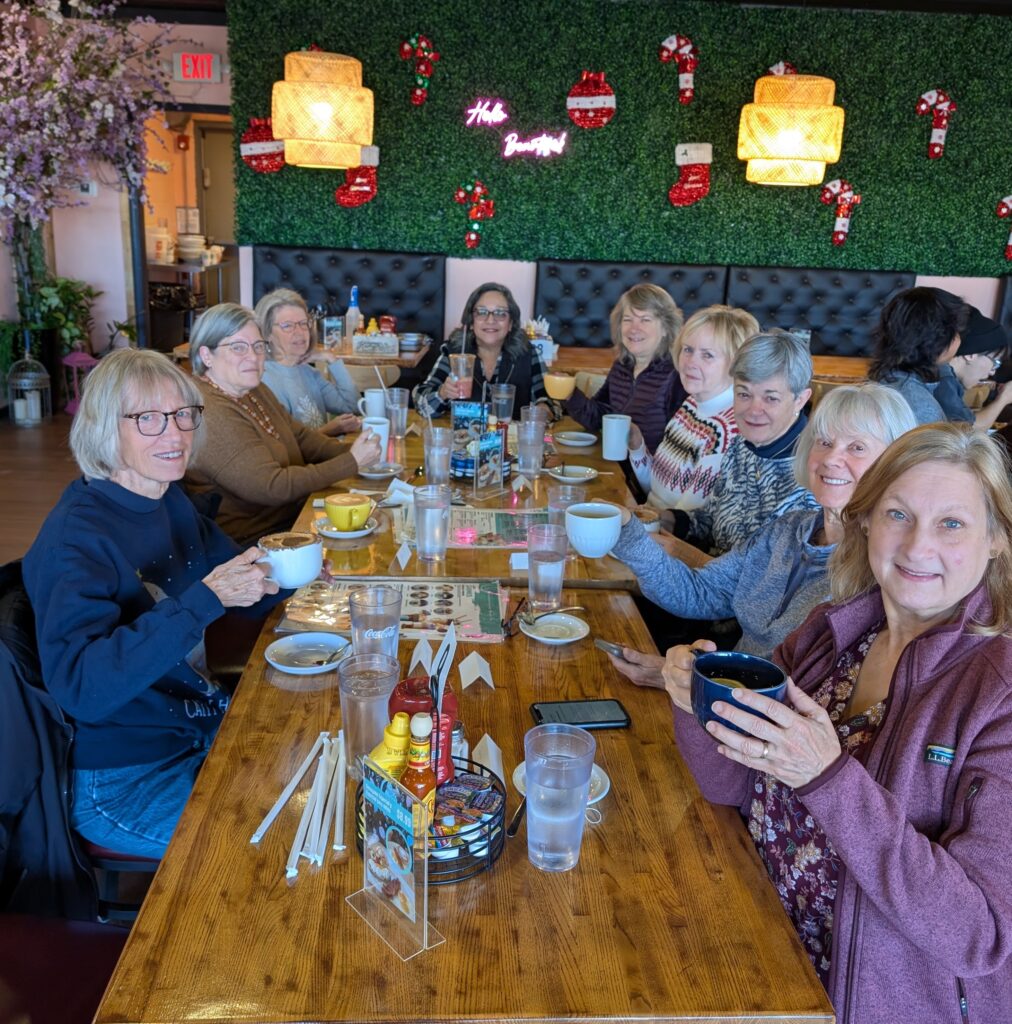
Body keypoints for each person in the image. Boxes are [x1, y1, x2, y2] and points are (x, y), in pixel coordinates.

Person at [662, 423, 1012, 1019]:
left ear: (997, 540)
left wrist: (828, 776)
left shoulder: (996, 692)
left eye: (951, 523)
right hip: (752, 955)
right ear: (867, 521)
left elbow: (980, 935)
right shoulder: (835, 629)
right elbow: (733, 786)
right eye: (898, 515)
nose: (917, 546)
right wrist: (694, 699)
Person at [23, 349, 283, 858]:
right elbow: (82, 687)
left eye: (184, 414)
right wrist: (205, 600)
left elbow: (241, 588)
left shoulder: (167, 497)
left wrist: (297, 576)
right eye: (148, 418)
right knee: (282, 845)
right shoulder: (76, 539)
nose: (175, 434)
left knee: (330, 782)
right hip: (122, 780)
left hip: (193, 725)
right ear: (104, 427)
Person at [608, 384, 915, 686]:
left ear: (893, 463)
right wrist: (627, 532)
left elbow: (806, 691)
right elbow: (701, 592)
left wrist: (690, 682)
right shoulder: (787, 529)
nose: (831, 458)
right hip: (722, 696)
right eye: (823, 441)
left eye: (857, 447)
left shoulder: (881, 569)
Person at [185, 303, 381, 547]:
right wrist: (351, 462)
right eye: (238, 347)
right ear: (206, 355)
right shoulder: (210, 411)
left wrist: (358, 454)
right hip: (255, 545)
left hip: (295, 518)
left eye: (258, 346)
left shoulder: (253, 389)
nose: (254, 357)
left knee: (382, 525)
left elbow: (300, 436)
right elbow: (272, 486)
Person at [672, 329, 818, 556]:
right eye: (743, 394)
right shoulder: (741, 445)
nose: (753, 410)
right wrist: (669, 520)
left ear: (800, 399)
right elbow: (712, 521)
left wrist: (687, 557)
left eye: (771, 398)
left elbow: (769, 584)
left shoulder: (811, 477)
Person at [627, 305, 759, 521]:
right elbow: (657, 491)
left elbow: (683, 521)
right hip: (649, 522)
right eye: (688, 350)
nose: (690, 362)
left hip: (668, 542)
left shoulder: (728, 429)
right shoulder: (692, 404)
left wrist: (628, 520)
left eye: (707, 355)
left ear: (737, 364)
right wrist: (637, 446)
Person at [562, 283, 686, 454]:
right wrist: (569, 394)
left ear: (666, 328)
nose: (634, 329)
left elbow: (680, 447)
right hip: (617, 469)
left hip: (651, 476)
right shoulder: (622, 366)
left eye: (645, 320)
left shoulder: (676, 375)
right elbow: (598, 418)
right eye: (627, 320)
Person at [412, 282, 553, 418]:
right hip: (463, 439)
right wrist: (442, 393)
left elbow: (550, 401)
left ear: (510, 324)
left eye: (500, 313)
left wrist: (543, 409)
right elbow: (421, 403)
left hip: (511, 440)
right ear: (471, 322)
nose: (490, 320)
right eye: (482, 312)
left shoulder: (529, 354)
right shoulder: (454, 352)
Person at [256, 288, 361, 436]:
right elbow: (285, 446)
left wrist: (331, 358)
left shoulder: (309, 372)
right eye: (287, 325)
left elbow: (352, 407)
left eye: (303, 323)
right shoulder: (264, 380)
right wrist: (328, 431)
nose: (299, 332)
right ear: (267, 334)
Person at [868, 286, 969, 425]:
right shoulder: (922, 407)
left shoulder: (890, 375)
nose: (959, 339)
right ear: (936, 338)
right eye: (957, 331)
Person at [933, 302, 1012, 430]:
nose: (992, 373)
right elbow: (968, 431)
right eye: (995, 363)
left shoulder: (946, 376)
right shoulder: (943, 379)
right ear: (971, 355)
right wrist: (1004, 398)